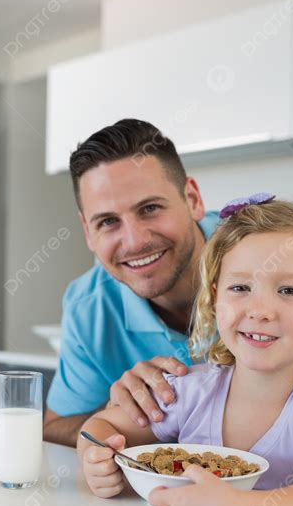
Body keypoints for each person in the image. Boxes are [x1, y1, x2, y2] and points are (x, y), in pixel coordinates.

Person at [77, 196, 293, 506]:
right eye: (240, 288)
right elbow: (101, 427)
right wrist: (95, 460)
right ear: (215, 299)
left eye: (289, 290)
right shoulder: (191, 390)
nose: (260, 310)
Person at [44, 119, 219, 446]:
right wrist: (116, 413)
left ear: (192, 199)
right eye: (108, 221)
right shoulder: (88, 306)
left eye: (150, 208)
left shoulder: (281, 256)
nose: (135, 241)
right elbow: (54, 428)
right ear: (87, 232)